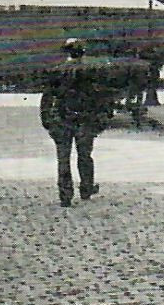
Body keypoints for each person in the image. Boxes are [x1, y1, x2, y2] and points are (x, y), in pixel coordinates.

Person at [39, 38, 114, 208]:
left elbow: (47, 98)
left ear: (67, 53)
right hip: (85, 120)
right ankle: (86, 188)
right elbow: (101, 97)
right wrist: (103, 118)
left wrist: (46, 120)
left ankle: (65, 194)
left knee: (63, 158)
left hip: (61, 119)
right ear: (83, 52)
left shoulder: (56, 71)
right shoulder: (93, 71)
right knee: (85, 155)